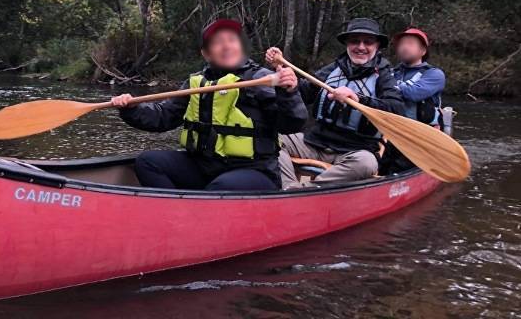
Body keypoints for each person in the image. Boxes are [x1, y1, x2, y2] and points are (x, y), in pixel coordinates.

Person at [110, 19, 308, 191]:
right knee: (148, 162)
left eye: (232, 40)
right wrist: (130, 109)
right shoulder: (197, 82)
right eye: (217, 43)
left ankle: (196, 215)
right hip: (204, 166)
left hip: (253, 170)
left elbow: (291, 124)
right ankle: (178, 215)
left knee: (222, 187)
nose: (227, 46)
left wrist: (288, 92)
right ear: (206, 53)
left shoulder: (260, 79)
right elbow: (163, 117)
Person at [268, 18, 405, 188]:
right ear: (347, 44)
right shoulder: (334, 69)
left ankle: (308, 190)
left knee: (367, 164)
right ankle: (289, 187)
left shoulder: (384, 74)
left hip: (355, 150)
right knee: (269, 139)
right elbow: (304, 92)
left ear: (377, 46)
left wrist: (358, 98)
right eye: (355, 41)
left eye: (368, 42)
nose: (361, 47)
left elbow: (396, 109)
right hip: (315, 142)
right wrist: (289, 83)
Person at [380, 28, 447, 173]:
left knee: (399, 166)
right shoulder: (392, 73)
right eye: (402, 44)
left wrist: (388, 87)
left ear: (423, 51)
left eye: (410, 43)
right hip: (393, 133)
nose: (404, 47)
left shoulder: (435, 74)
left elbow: (413, 93)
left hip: (420, 137)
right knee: (381, 165)